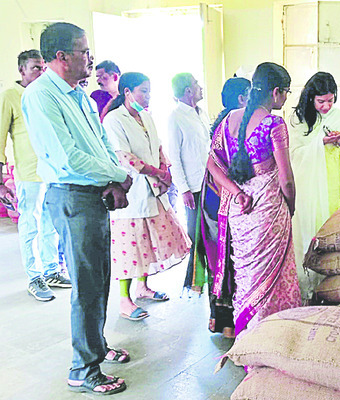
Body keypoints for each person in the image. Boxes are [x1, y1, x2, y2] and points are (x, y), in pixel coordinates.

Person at [22, 22, 131, 395]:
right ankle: (83, 370)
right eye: (84, 51)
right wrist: (120, 175)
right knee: (86, 285)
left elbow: (100, 144)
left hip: (94, 193)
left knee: (99, 279)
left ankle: (96, 347)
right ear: (62, 56)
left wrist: (114, 179)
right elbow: (67, 157)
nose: (91, 58)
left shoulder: (80, 95)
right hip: (72, 195)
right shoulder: (41, 96)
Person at [206, 62, 301, 336]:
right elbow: (286, 179)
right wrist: (290, 206)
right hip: (268, 208)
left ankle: (248, 335)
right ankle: (273, 335)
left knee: (247, 277)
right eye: (286, 92)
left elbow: (212, 164)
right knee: (274, 278)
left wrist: (236, 193)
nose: (286, 98)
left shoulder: (229, 119)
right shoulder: (274, 123)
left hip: (240, 209)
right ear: (275, 92)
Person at [103, 72, 191, 321]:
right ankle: (124, 299)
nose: (148, 96)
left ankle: (142, 288)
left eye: (149, 91)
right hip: (132, 192)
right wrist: (158, 173)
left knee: (147, 244)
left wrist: (165, 172)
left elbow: (159, 147)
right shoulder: (113, 120)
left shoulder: (146, 117)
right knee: (130, 248)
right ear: (127, 92)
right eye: (143, 91)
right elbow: (124, 157)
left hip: (154, 189)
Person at [0, 49, 71, 302]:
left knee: (50, 224)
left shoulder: (46, 92)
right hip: (29, 173)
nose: (41, 72)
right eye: (35, 68)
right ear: (22, 70)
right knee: (30, 225)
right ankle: (34, 277)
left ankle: (51, 270)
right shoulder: (11, 95)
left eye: (43, 67)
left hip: (53, 171)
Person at [187, 77, 250, 336]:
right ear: (242, 99)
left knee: (220, 258)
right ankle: (228, 322)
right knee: (228, 257)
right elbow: (220, 165)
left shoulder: (222, 121)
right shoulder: (237, 124)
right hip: (224, 197)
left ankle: (221, 320)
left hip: (216, 196)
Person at [289, 72, 340, 302]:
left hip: (329, 184)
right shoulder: (297, 119)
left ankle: (325, 286)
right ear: (310, 98)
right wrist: (320, 143)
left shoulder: (338, 116)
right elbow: (293, 154)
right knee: (306, 230)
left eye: (330, 100)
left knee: (327, 228)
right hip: (305, 187)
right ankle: (305, 286)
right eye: (321, 101)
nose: (326, 106)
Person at [166, 73, 211, 294]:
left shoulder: (201, 113)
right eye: (196, 84)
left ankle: (208, 276)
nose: (200, 87)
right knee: (196, 234)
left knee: (210, 231)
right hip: (192, 186)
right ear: (188, 91)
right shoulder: (176, 117)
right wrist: (183, 189)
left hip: (210, 181)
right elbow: (174, 157)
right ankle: (195, 281)